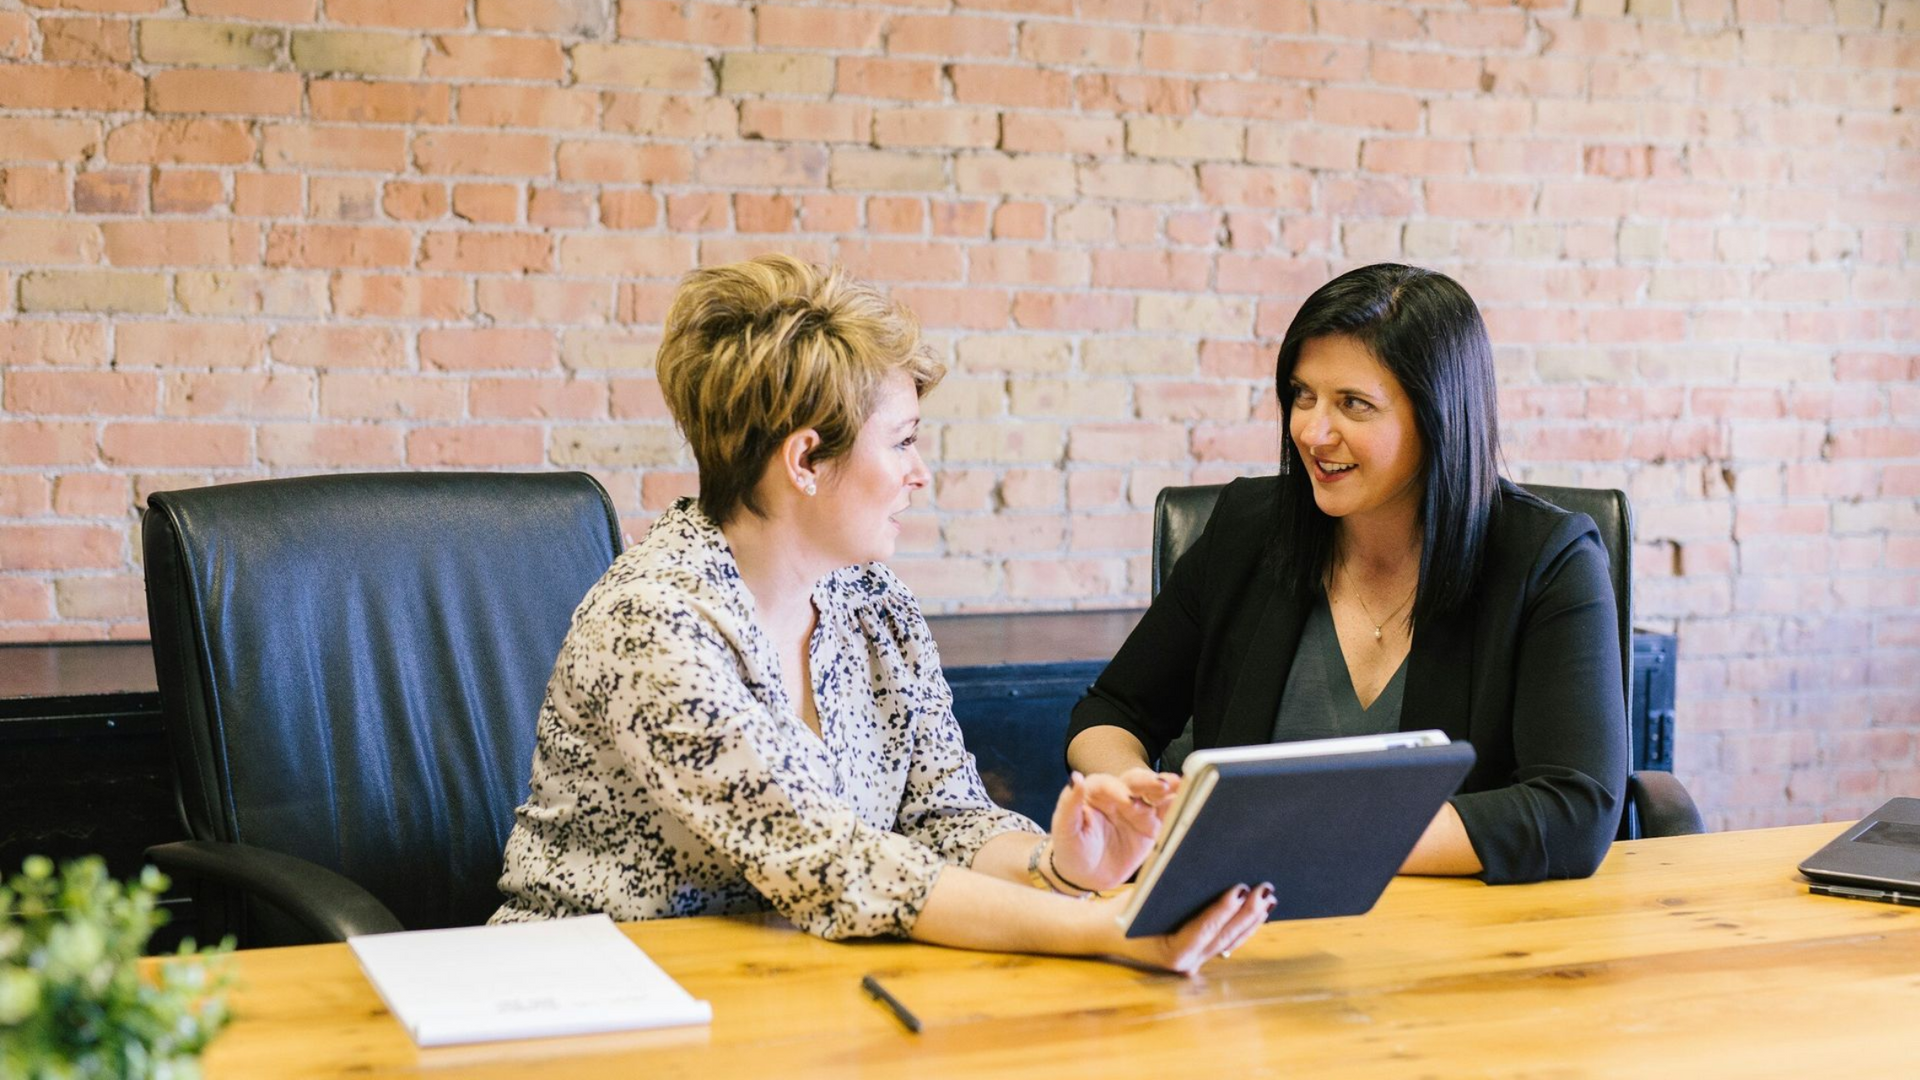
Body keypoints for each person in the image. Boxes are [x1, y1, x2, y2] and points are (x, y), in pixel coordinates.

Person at [492, 254, 1269, 973]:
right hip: (589, 992)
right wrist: (1105, 928)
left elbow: (945, 816)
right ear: (805, 461)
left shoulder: (871, 602)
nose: (920, 474)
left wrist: (1061, 866)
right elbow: (833, 863)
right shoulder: (654, 623)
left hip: (790, 983)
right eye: (901, 442)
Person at [1066, 263, 1628, 884]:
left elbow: (1574, 809)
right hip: (1241, 922)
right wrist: (1133, 793)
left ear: (1438, 415)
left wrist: (1301, 838)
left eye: (1353, 404)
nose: (1312, 430)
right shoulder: (1249, 529)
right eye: (1303, 396)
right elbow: (1111, 711)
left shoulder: (1548, 559)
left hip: (1456, 934)